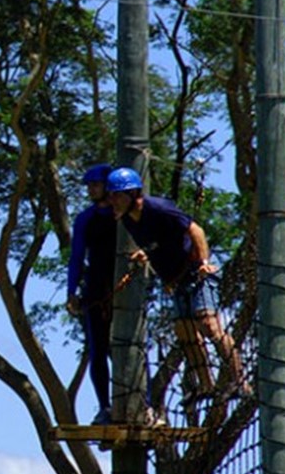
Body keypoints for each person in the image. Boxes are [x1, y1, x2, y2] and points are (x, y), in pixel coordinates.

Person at [105, 167, 246, 403]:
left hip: (196, 273)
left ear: (133, 194)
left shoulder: (158, 208)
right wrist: (146, 254)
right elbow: (160, 242)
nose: (113, 201)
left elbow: (195, 230)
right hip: (177, 282)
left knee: (209, 325)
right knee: (185, 332)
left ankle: (240, 380)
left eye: (117, 195)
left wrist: (203, 262)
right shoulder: (128, 221)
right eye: (111, 196)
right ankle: (207, 386)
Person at [66, 164, 116, 425]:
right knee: (98, 349)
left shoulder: (124, 215)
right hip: (95, 290)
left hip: (123, 288)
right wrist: (72, 291)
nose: (91, 190)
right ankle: (105, 406)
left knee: (129, 348)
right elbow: (76, 257)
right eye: (89, 186)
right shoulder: (86, 218)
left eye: (95, 185)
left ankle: (145, 401)